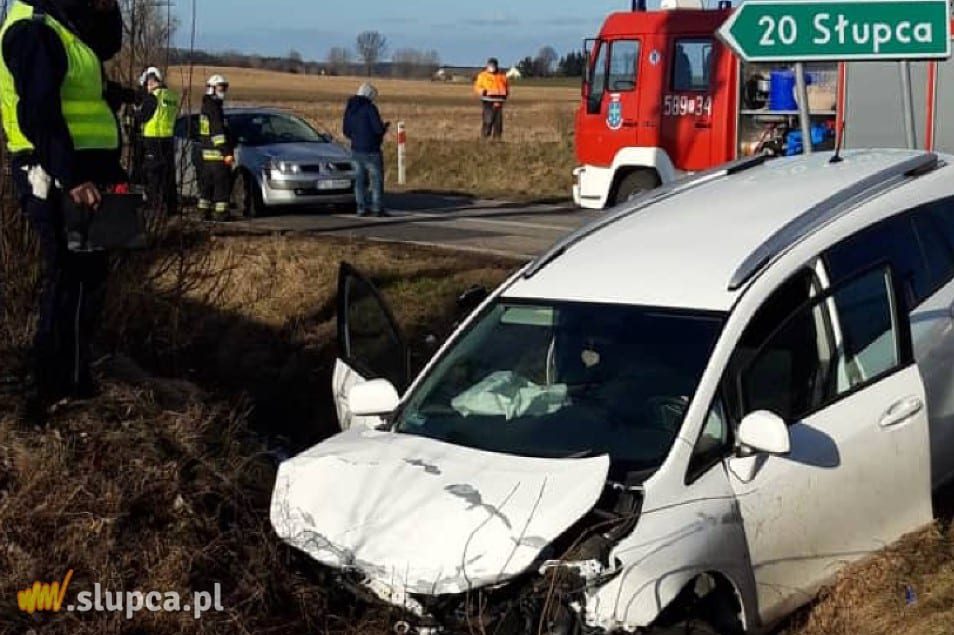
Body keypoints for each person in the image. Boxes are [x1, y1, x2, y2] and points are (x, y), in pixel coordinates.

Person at [0, 0, 128, 415]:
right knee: (69, 278)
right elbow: (39, 113)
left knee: (89, 278)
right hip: (58, 172)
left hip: (87, 167)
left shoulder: (62, 21)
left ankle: (75, 375)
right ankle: (54, 386)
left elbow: (107, 46)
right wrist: (71, 178)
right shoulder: (33, 28)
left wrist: (108, 9)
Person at [136, 65, 179, 216]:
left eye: (147, 84)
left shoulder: (153, 97)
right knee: (168, 175)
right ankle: (172, 207)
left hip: (152, 139)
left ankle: (154, 206)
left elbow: (142, 117)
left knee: (153, 174)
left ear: (152, 81)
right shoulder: (172, 96)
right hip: (168, 138)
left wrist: (135, 113)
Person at [343, 82, 389, 218]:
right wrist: (384, 128)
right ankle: (377, 208)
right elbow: (377, 129)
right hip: (372, 150)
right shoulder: (370, 108)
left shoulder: (350, 108)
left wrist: (356, 137)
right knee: (376, 180)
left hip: (355, 149)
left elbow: (345, 130)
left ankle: (361, 207)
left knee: (359, 181)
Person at [198, 74, 233, 221]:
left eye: (224, 88)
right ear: (212, 88)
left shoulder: (206, 106)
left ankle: (203, 211)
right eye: (220, 87)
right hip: (217, 154)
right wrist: (226, 152)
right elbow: (218, 132)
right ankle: (221, 213)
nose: (223, 91)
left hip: (206, 155)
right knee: (221, 186)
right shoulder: (214, 107)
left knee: (206, 186)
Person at [474, 57, 509, 140]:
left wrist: (505, 94)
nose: (492, 67)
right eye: (490, 65)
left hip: (499, 101)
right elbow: (477, 87)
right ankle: (485, 138)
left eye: (493, 65)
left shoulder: (502, 76)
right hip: (487, 101)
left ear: (497, 66)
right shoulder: (482, 76)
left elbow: (506, 87)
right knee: (488, 120)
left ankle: (497, 139)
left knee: (498, 122)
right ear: (487, 65)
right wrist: (483, 91)